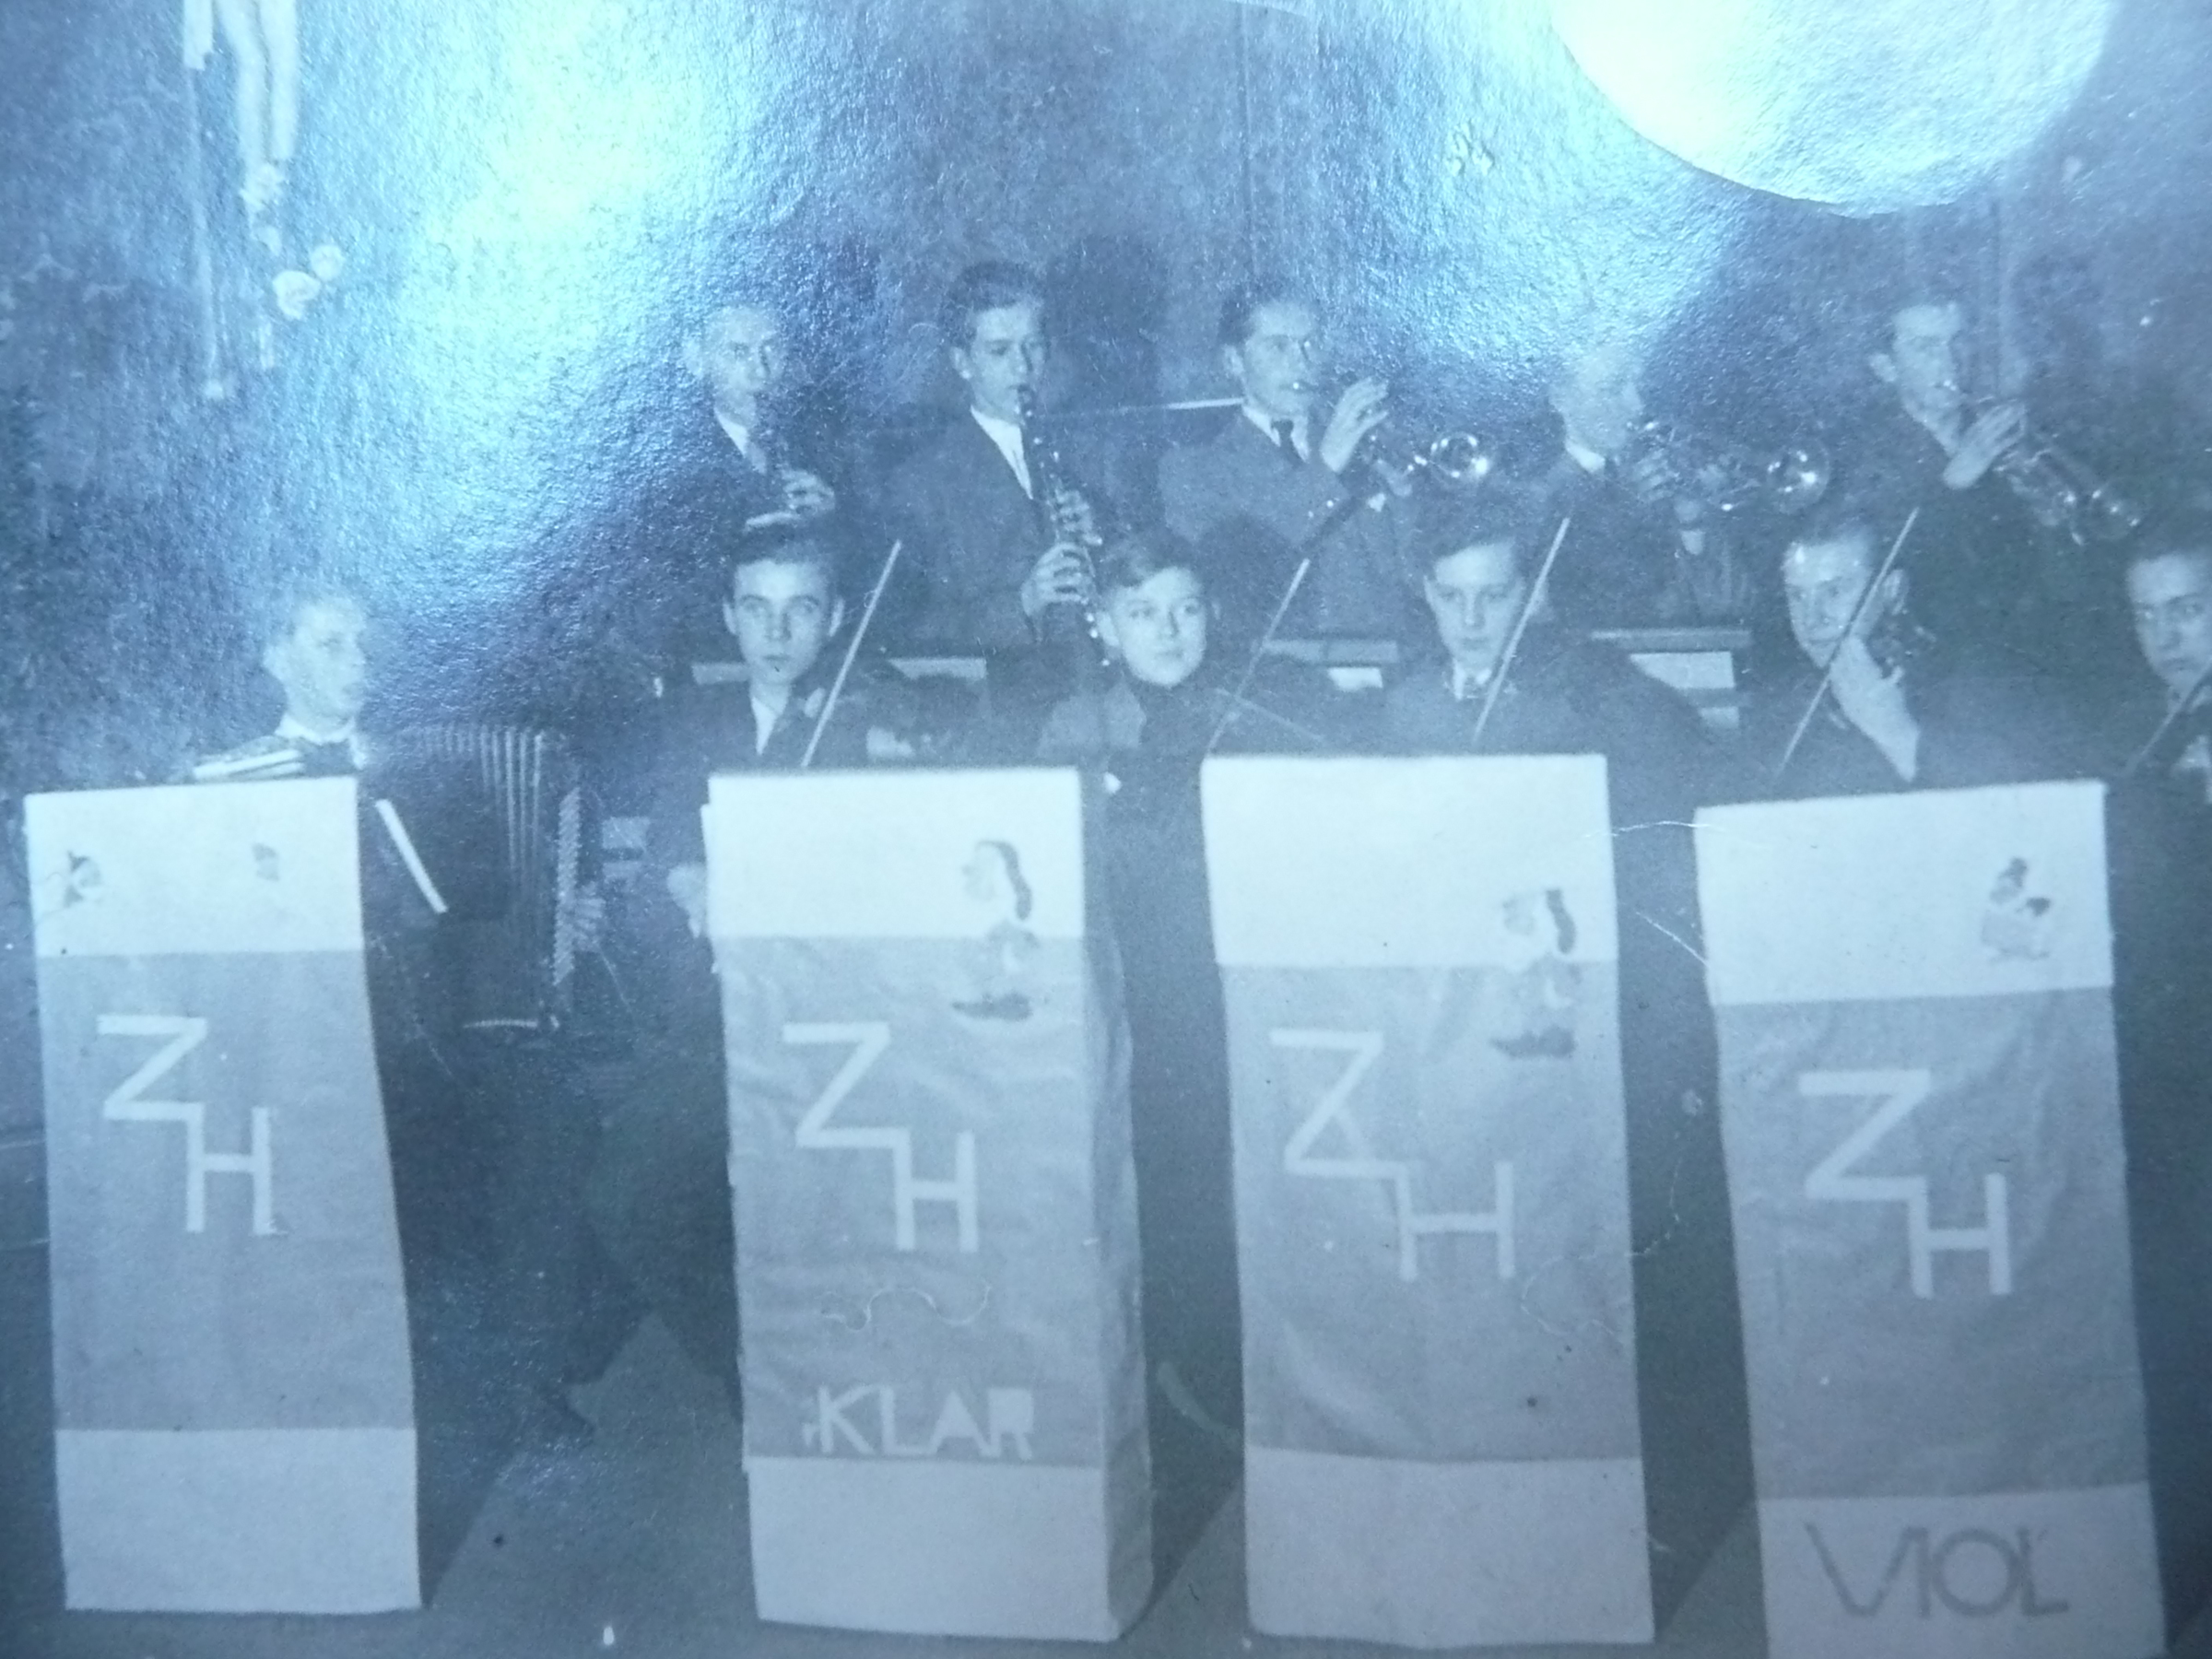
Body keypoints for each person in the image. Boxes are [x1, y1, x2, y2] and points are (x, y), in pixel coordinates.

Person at [1382, 487, 1750, 1553]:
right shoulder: (1406, 707)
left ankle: (1648, 1500)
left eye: (1495, 596)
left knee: (1604, 1254)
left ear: (1531, 594)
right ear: (1425, 595)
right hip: (1461, 1037)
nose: (1472, 621)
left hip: (1581, 1021)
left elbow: (1670, 835)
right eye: (1450, 597)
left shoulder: (1607, 694)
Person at [194, 577, 609, 1450]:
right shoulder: (230, 784)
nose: (359, 663)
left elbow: (490, 905)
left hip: (438, 1037)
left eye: (364, 643)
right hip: (305, 1048)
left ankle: (520, 1381)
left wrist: (565, 911)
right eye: (330, 644)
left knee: (543, 1125)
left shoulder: (424, 771)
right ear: (275, 658)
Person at [1037, 529, 1332, 1575]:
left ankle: (1244, 1390)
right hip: (1130, 1009)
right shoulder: (1073, 727)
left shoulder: (1262, 709)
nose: (1169, 632)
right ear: (1102, 628)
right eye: (1142, 614)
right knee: (1157, 1200)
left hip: (1237, 1000)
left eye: (1187, 609)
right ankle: (1176, 1397)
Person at [588, 524, 918, 1416]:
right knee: (627, 1194)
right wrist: (688, 879)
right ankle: (749, 1366)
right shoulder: (693, 724)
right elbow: (665, 848)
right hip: (719, 1020)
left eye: (801, 610)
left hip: (852, 1023)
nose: (778, 634)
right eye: (758, 609)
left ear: (837, 619)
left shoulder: (874, 713)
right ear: (730, 617)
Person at [1737, 498, 2077, 799]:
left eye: (1835, 592)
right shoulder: (1782, 706)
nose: (1812, 619)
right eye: (1798, 596)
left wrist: (1897, 733)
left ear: (1892, 590)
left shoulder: (1977, 679)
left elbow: (2026, 811)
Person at [879, 261, 1109, 668]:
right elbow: (914, 632)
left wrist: (1101, 537)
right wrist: (1023, 603)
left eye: (1033, 345)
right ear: (962, 362)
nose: (1023, 367)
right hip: (1002, 691)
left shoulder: (1091, 451)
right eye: (999, 351)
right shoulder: (921, 481)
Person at [1158, 282, 1417, 641]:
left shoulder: (1365, 445)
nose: (1302, 363)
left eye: (1311, 344)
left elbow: (1417, 572)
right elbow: (1240, 571)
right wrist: (1326, 466)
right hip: (1279, 663)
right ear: (1233, 361)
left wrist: (1407, 497)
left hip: (1387, 653)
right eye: (1278, 346)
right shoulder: (1193, 469)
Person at [1535, 336, 1756, 629]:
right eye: (1613, 389)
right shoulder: (1537, 494)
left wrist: (1692, 519)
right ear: (1560, 398)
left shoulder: (1660, 479)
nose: (1638, 406)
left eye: (1637, 386)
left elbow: (1727, 610)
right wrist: (1623, 512)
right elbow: (1575, 615)